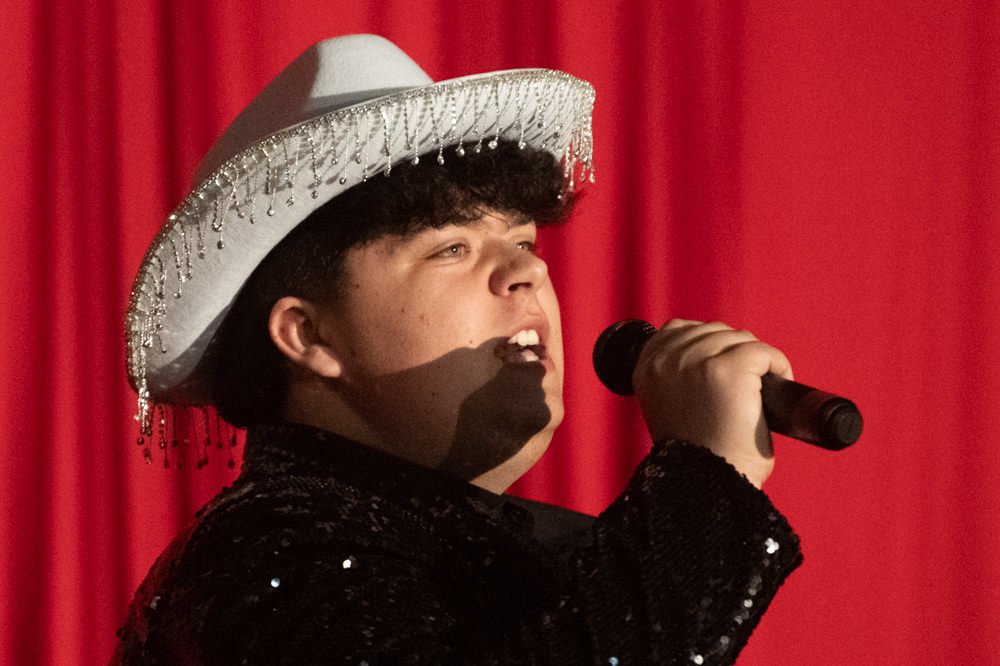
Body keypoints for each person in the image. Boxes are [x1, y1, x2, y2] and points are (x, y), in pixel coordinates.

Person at [115, 35, 801, 664]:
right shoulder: (278, 552)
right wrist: (708, 481)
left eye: (525, 242)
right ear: (309, 335)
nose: (526, 273)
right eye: (452, 248)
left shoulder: (478, 551)